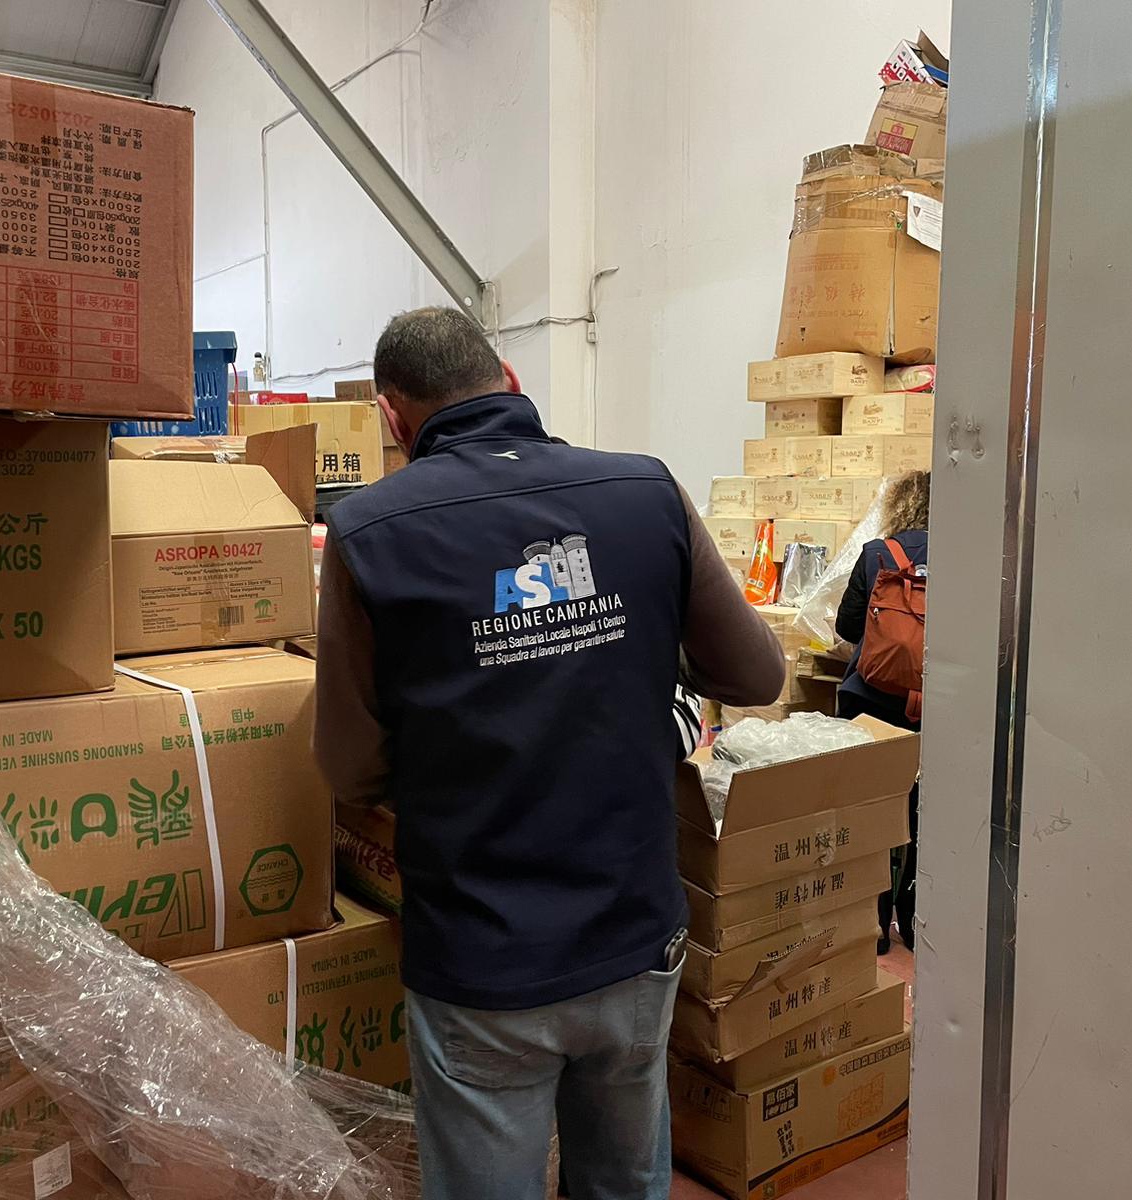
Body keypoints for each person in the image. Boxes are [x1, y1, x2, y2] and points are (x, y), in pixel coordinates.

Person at [312, 307, 786, 1200]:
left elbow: (351, 768)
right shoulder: (645, 491)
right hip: (633, 933)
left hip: (484, 958)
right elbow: (757, 676)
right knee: (624, 1184)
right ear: (512, 381)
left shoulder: (370, 532)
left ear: (390, 416)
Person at [834, 469, 930, 955]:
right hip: (936, 710)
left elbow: (847, 625)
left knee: (871, 814)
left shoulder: (879, 553)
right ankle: (915, 922)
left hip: (872, 704)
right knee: (924, 817)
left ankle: (871, 928)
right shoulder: (972, 556)